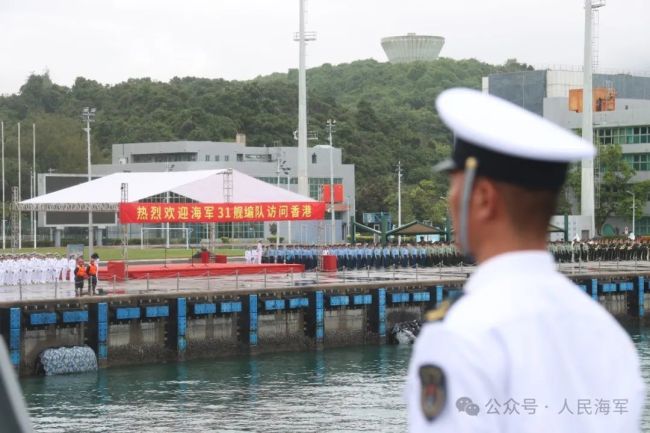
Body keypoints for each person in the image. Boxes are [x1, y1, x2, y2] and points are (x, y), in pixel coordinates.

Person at [406, 88, 644, 432]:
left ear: (484, 198)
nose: (450, 200)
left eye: (453, 186)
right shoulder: (604, 332)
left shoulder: (463, 333)